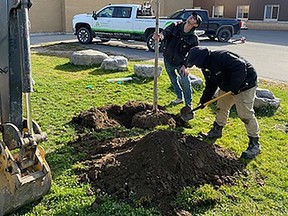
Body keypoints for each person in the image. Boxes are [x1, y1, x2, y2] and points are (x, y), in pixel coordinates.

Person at [186, 46, 260, 159]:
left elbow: (240, 66)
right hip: (228, 85)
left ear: (201, 59)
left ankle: (254, 144)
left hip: (245, 85)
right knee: (221, 107)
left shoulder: (221, 57)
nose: (196, 65)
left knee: (245, 115)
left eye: (196, 63)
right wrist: (204, 101)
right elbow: (210, 84)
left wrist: (235, 86)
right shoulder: (206, 67)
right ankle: (217, 130)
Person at [153, 12, 202, 108]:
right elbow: (166, 33)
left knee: (185, 82)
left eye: (194, 18)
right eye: (192, 15)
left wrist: (185, 65)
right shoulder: (175, 26)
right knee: (173, 80)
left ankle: (188, 104)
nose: (192, 16)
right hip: (168, 59)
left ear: (196, 25)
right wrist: (160, 37)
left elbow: (192, 54)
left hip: (181, 63)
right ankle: (179, 97)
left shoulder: (193, 39)